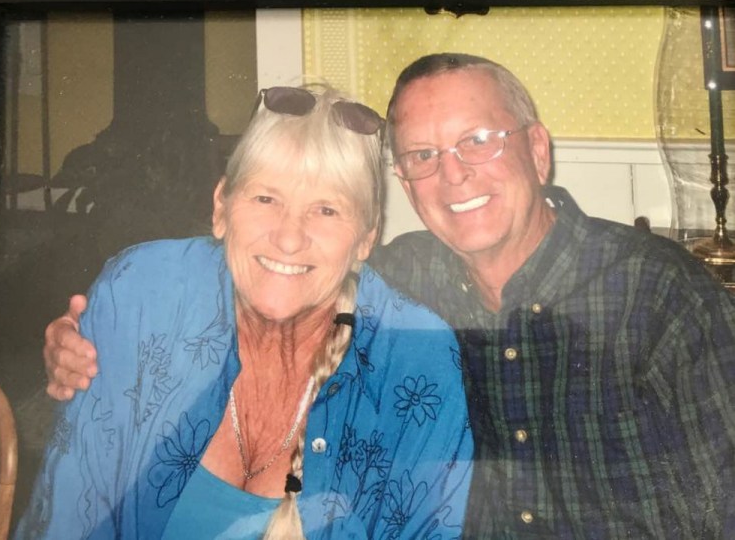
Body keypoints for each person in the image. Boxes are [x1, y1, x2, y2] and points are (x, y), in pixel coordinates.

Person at [45, 54, 735, 538]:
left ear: (538, 150)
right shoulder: (402, 284)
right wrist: (83, 336)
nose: (454, 174)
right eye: (424, 156)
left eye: (478, 141)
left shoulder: (661, 297)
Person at [17, 85, 473, 539]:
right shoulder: (143, 294)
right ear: (221, 207)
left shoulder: (415, 363)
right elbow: (70, 515)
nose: (289, 238)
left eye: (327, 209)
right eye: (266, 199)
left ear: (365, 241)